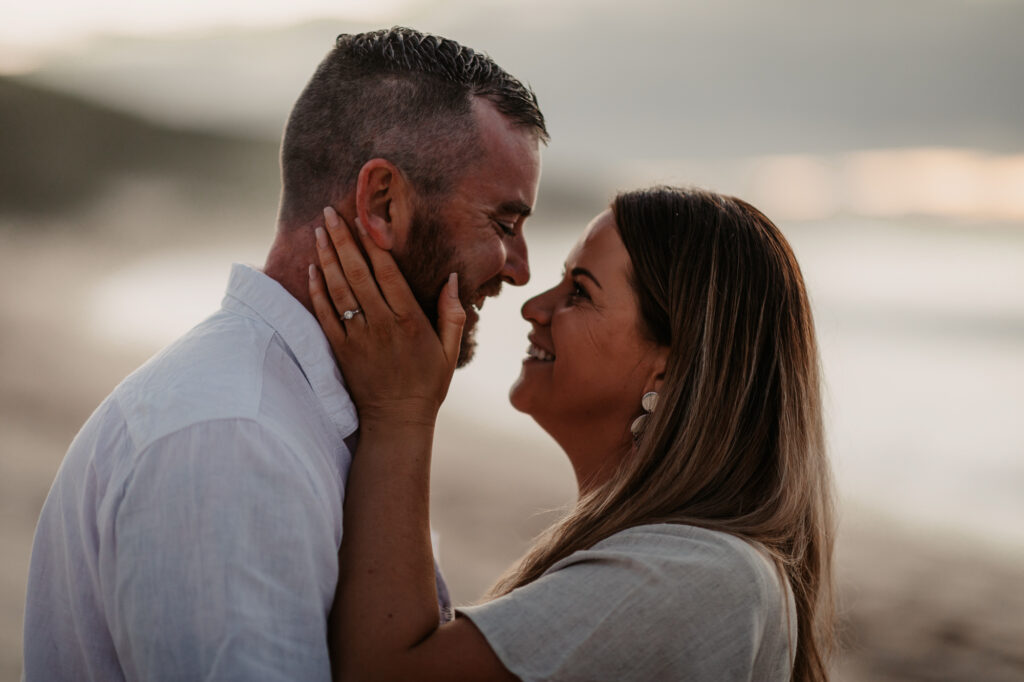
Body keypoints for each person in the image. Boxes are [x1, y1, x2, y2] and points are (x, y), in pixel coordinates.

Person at [22, 27, 547, 681]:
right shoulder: (233, 437)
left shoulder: (302, 411)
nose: (521, 271)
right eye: (503, 223)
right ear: (383, 203)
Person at [307, 186, 836, 681]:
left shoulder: (699, 576)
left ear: (670, 368)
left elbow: (384, 672)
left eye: (579, 292)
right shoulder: (683, 562)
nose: (533, 307)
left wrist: (401, 412)